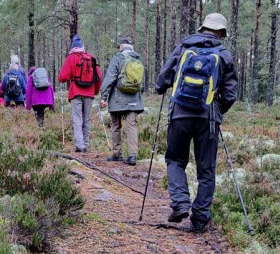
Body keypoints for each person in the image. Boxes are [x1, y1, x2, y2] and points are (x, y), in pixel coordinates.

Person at [156, 13, 238, 233]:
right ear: (221, 33)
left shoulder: (183, 47)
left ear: (202, 28)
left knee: (175, 159)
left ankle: (180, 203)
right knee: (206, 170)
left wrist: (161, 88)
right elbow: (230, 94)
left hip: (179, 114)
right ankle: (200, 219)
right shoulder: (223, 54)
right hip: (207, 118)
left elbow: (163, 78)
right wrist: (218, 109)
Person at [99, 37, 145, 166]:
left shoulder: (118, 58)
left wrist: (104, 96)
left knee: (116, 125)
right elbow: (141, 81)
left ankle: (117, 154)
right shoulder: (137, 59)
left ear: (121, 47)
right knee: (132, 126)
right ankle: (132, 156)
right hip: (134, 99)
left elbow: (110, 78)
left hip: (117, 98)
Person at [58, 34, 102, 152]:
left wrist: (62, 78)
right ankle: (85, 144)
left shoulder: (71, 58)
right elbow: (99, 77)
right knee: (87, 119)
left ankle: (80, 145)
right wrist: (95, 91)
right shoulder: (91, 58)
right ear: (83, 47)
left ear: (72, 47)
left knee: (77, 119)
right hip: (89, 93)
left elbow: (63, 77)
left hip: (75, 93)